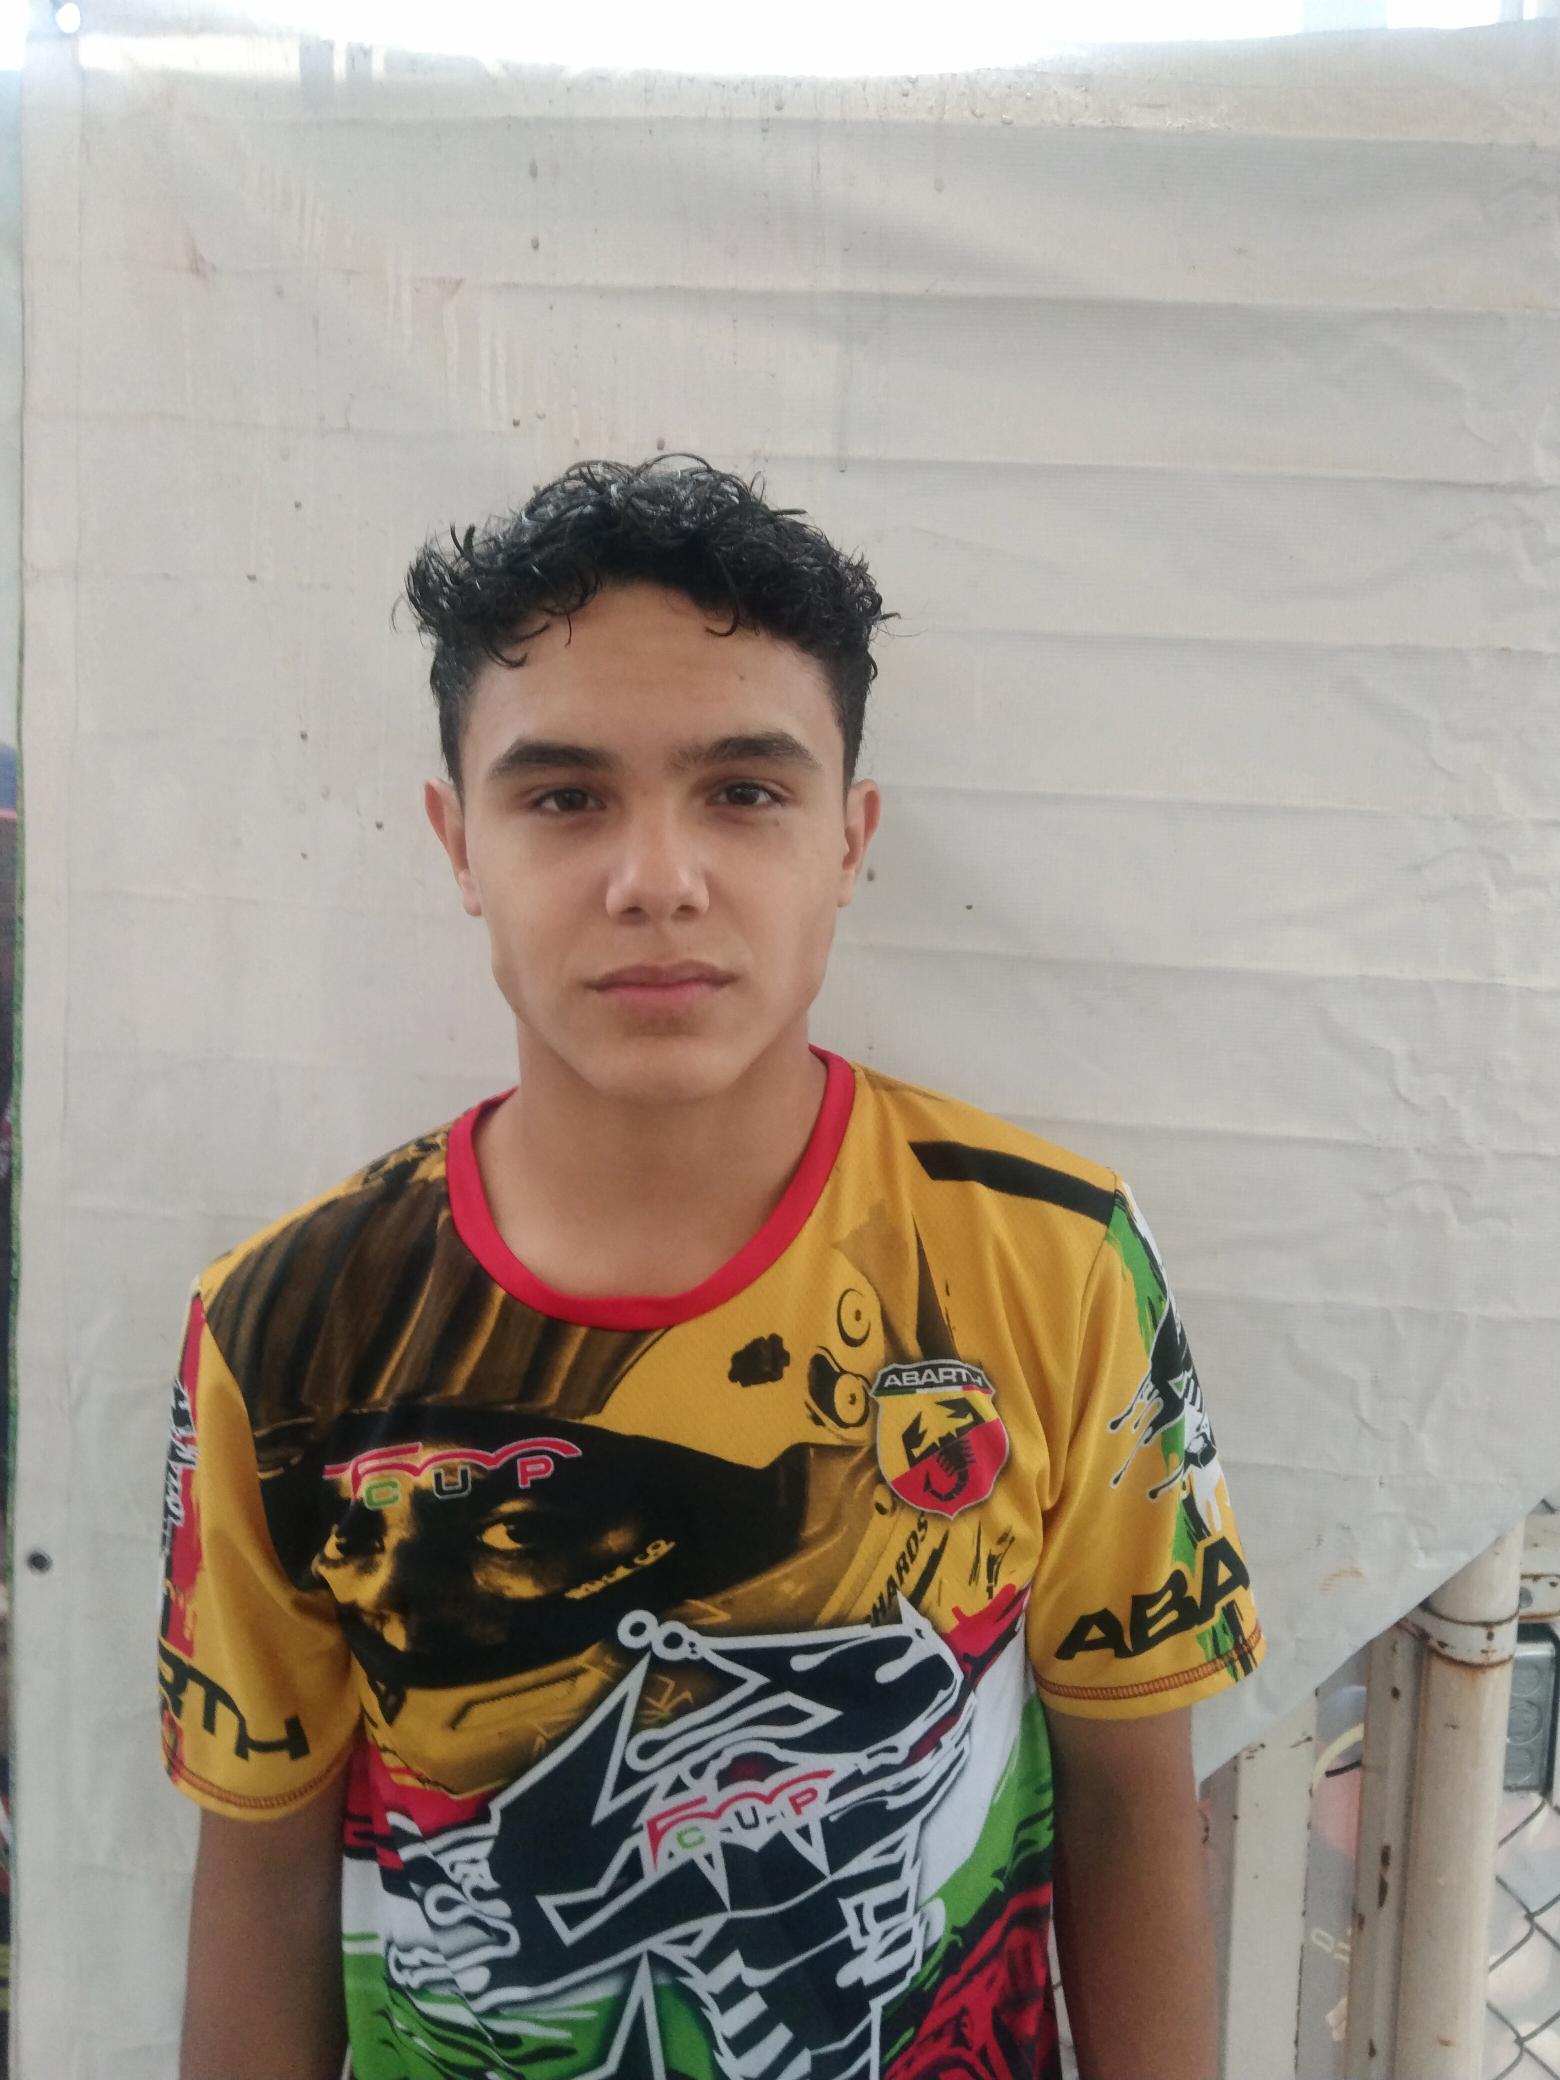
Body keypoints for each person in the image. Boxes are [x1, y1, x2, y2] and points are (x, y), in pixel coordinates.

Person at [159, 453, 1267, 2080]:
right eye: (564, 798)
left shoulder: (1054, 1260)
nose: (657, 880)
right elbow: (259, 1874)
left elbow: (1131, 1804)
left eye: (745, 792)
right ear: (458, 843)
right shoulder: (282, 1331)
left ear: (849, 840)